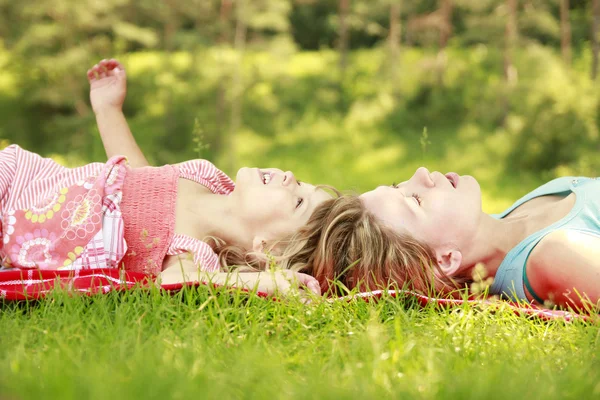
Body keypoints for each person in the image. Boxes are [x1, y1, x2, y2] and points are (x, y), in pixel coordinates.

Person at [0, 59, 331, 298]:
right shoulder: (204, 177)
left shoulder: (196, 254)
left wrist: (260, 281)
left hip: (11, 230)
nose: (290, 177)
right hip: (23, 179)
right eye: (302, 184)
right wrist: (108, 110)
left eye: (299, 200)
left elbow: (171, 282)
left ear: (265, 251)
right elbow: (140, 177)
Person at [284, 167, 600, 310]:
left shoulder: (514, 217)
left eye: (398, 186)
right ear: (446, 259)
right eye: (416, 201)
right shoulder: (553, 256)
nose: (422, 173)